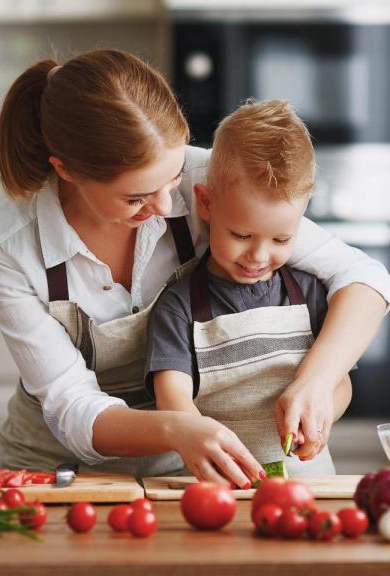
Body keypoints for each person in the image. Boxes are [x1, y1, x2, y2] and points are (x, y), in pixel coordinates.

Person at [0, 49, 390, 488]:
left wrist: (318, 381)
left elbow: (364, 279)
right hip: (59, 468)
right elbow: (73, 407)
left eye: (172, 181)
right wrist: (179, 428)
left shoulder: (209, 178)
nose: (166, 206)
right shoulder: (9, 248)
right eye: (136, 198)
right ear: (67, 170)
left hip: (185, 464)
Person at [145, 100, 350, 478]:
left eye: (281, 239)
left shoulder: (311, 293)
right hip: (222, 483)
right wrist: (208, 443)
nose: (258, 255)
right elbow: (173, 400)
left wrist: (321, 414)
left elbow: (340, 384)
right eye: (241, 235)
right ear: (205, 203)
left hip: (311, 484)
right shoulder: (178, 306)